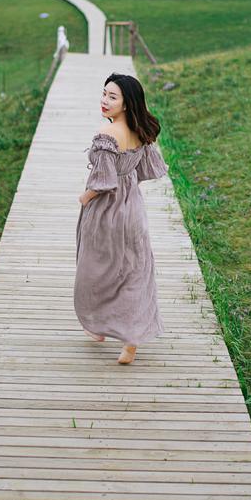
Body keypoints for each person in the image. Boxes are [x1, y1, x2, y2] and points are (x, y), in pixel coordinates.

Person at [74, 72, 169, 365]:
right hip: (133, 209)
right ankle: (129, 340)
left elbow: (103, 181)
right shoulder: (141, 131)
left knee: (95, 269)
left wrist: (85, 197)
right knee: (133, 271)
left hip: (107, 211)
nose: (105, 100)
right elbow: (145, 170)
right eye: (104, 94)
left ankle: (98, 325)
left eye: (112, 97)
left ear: (127, 103)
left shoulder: (108, 133)